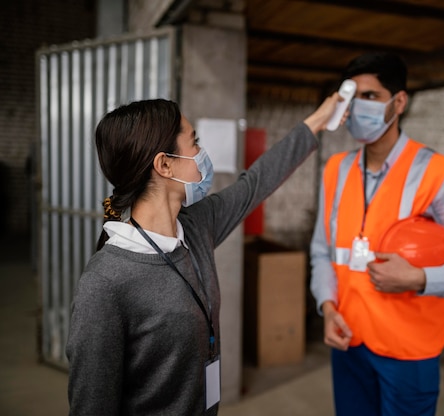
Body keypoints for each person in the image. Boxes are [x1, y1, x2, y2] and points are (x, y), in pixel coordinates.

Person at [66, 96, 339, 415]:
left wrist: (318, 120)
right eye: (194, 143)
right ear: (164, 164)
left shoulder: (196, 227)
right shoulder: (104, 284)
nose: (202, 154)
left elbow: (257, 182)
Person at [309, 52, 444, 416]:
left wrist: (420, 278)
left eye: (370, 96)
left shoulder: (440, 175)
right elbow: (323, 251)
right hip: (348, 343)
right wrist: (328, 306)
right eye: (352, 97)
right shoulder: (336, 170)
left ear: (399, 102)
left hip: (409, 355)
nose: (358, 107)